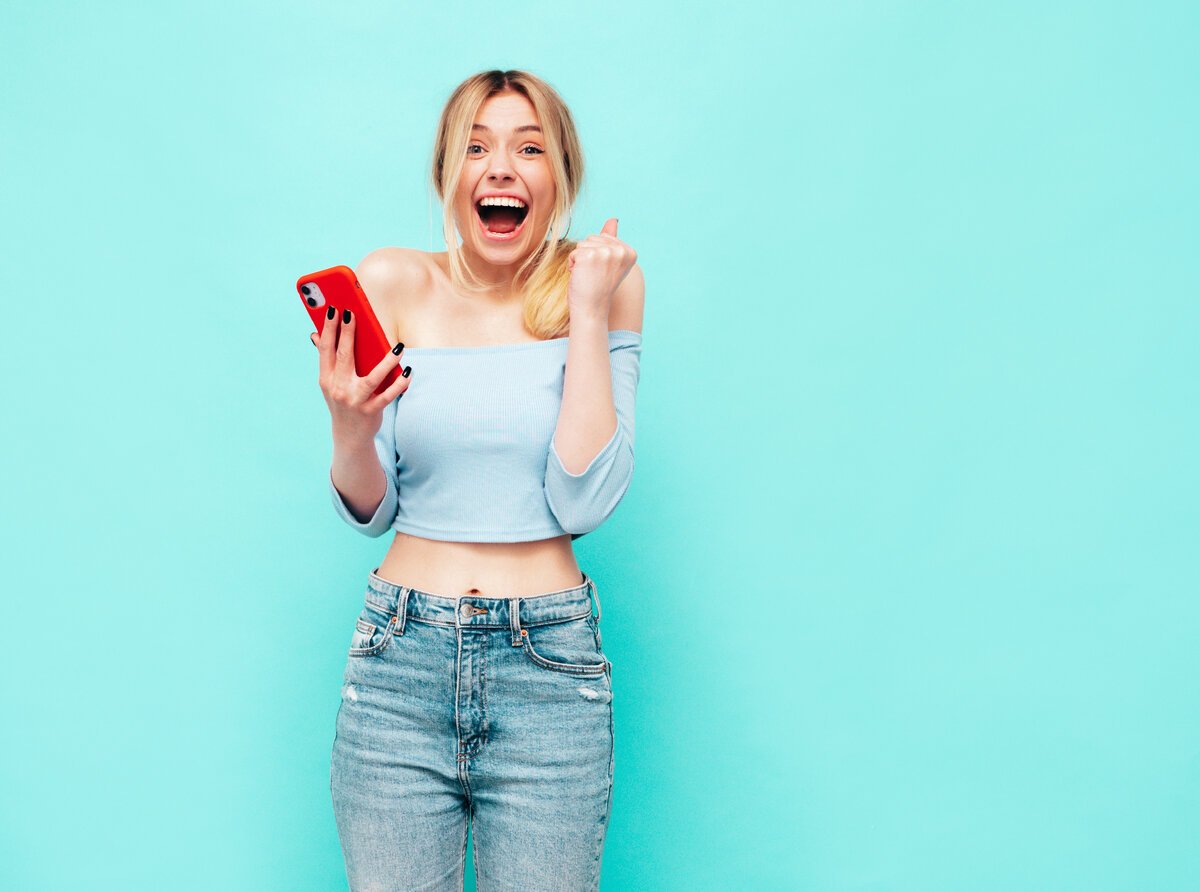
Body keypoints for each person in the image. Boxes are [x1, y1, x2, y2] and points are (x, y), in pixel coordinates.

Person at [309, 69, 644, 891]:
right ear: (447, 178)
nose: (502, 168)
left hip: (550, 671)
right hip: (399, 662)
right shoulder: (392, 282)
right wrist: (349, 423)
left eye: (529, 148)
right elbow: (371, 507)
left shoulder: (606, 284)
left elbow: (583, 498)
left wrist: (590, 312)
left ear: (558, 174)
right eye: (477, 147)